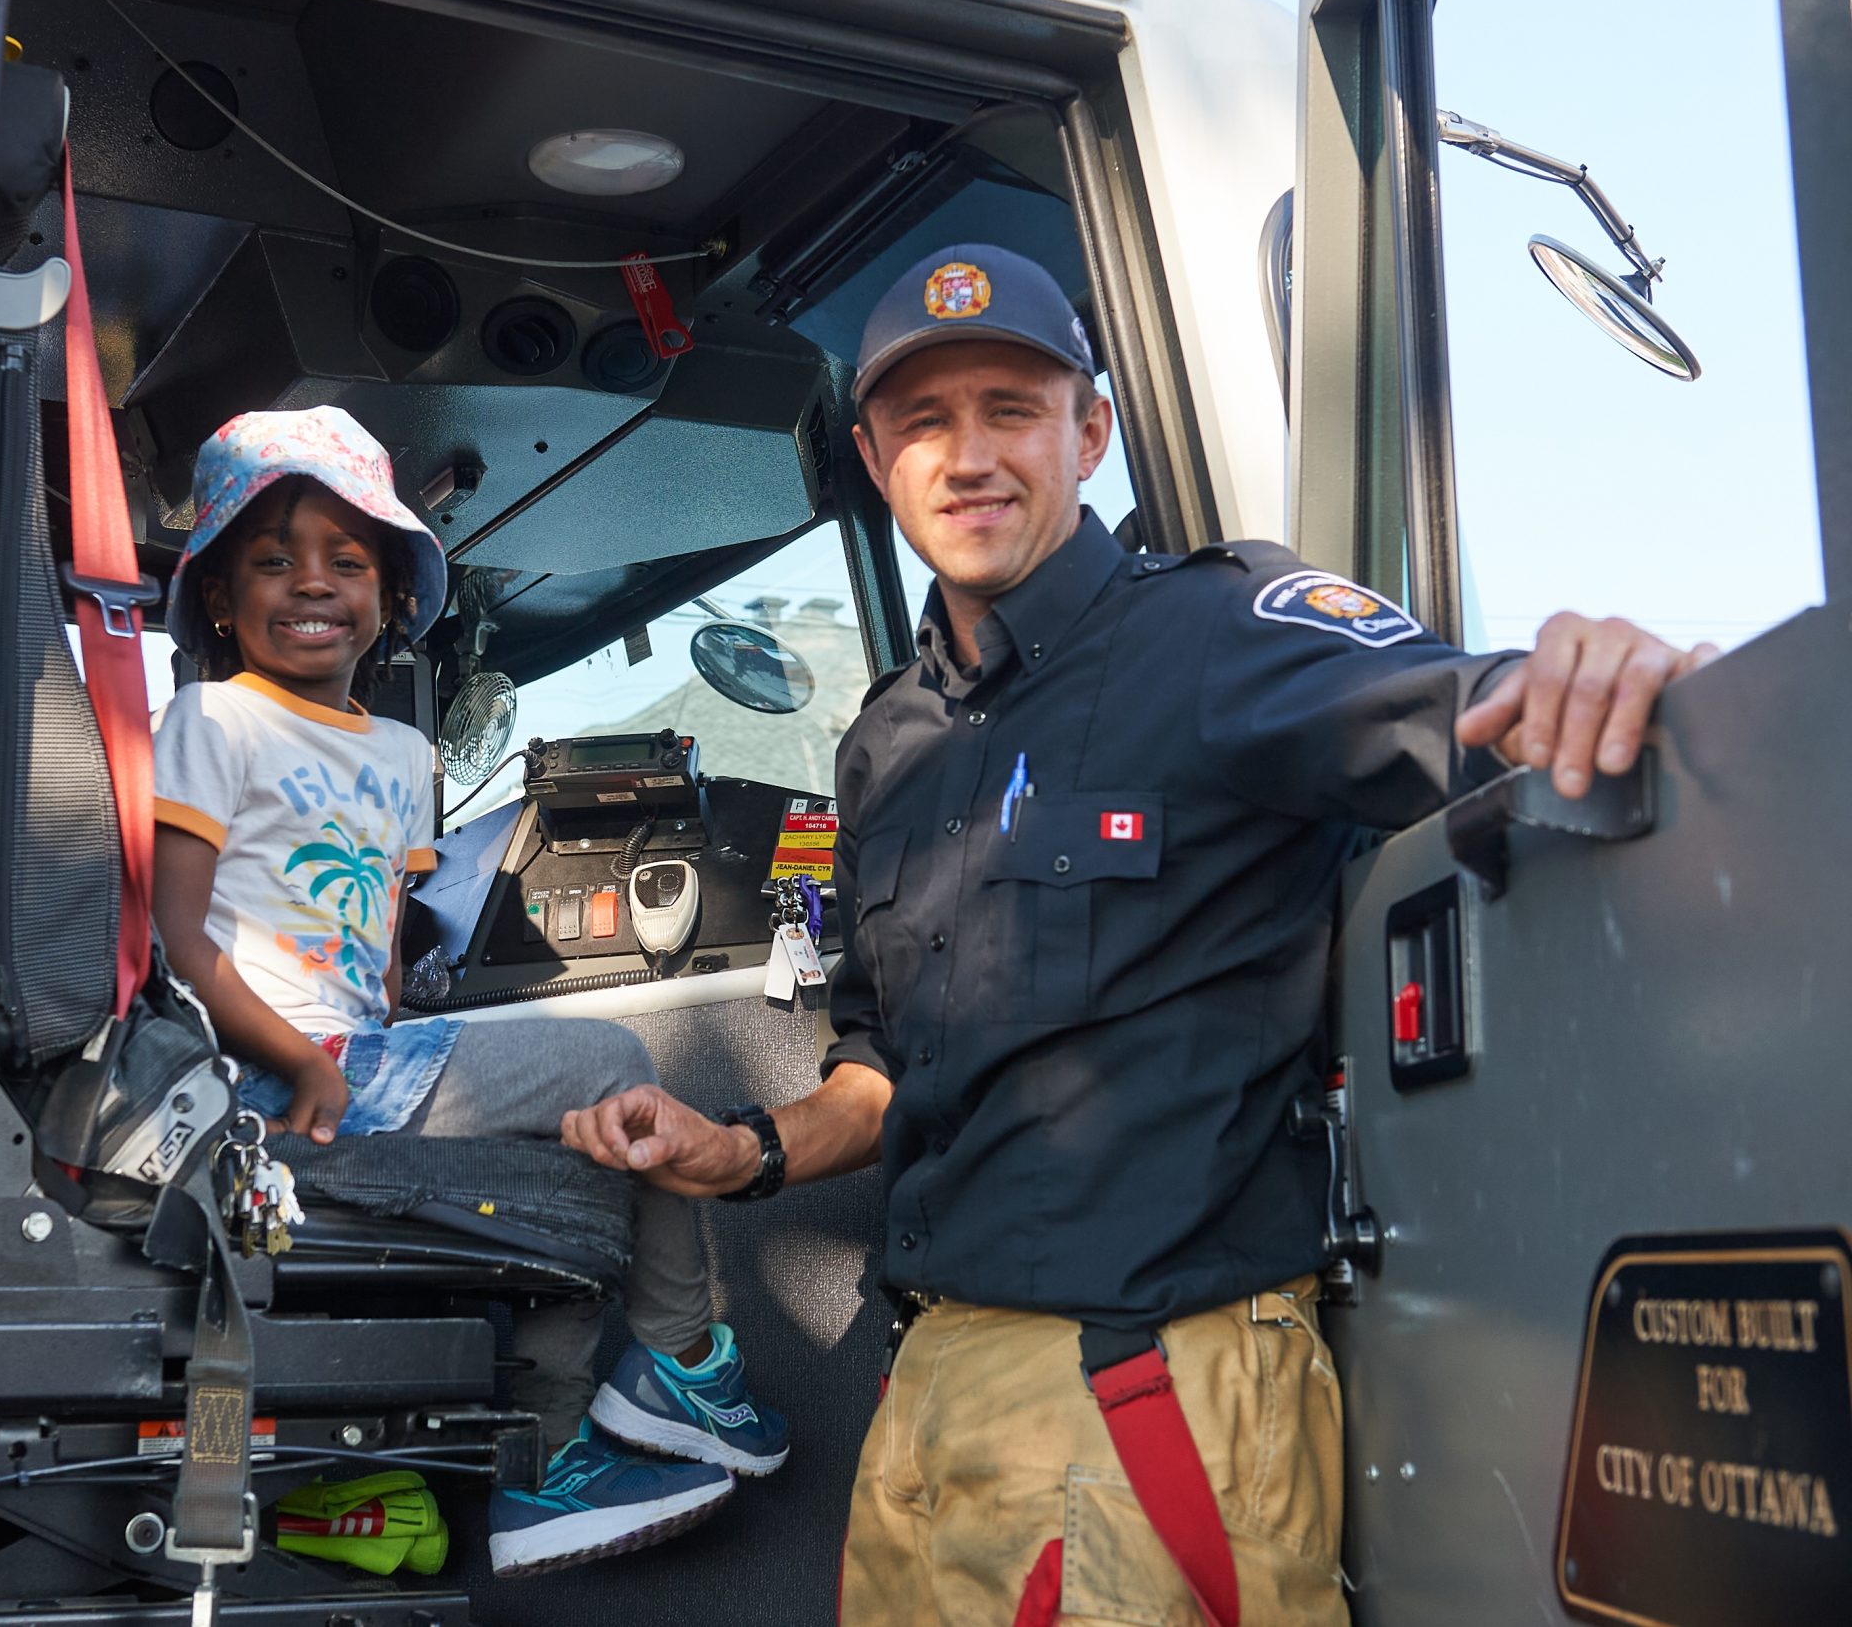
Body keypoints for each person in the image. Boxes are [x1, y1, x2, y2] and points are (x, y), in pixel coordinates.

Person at [557, 247, 1713, 1623]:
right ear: (875, 458)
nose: (969, 455)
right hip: (926, 1395)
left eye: (1011, 408)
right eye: (926, 421)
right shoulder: (882, 747)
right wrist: (739, 1150)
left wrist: (1607, 676)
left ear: (1088, 432)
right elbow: (881, 1078)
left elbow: (1475, 712)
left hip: (1146, 1389)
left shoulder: (1222, 632)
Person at [148, 405, 789, 1579]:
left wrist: (404, 1025)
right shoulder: (211, 718)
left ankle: (538, 1465)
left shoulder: (401, 754)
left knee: (570, 1149)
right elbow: (180, 938)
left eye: (347, 560)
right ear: (222, 600)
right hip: (256, 1072)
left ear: (392, 598)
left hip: (365, 1051)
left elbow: (382, 952)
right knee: (613, 1070)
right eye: (274, 558)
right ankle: (683, 1359)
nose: (311, 583)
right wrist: (301, 1061)